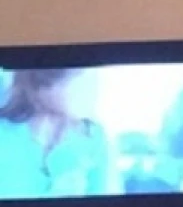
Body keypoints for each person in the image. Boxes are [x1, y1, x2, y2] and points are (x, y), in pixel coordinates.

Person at [0, 68, 111, 198]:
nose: (90, 91)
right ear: (41, 86)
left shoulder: (94, 136)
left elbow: (108, 203)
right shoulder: (4, 134)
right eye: (79, 79)